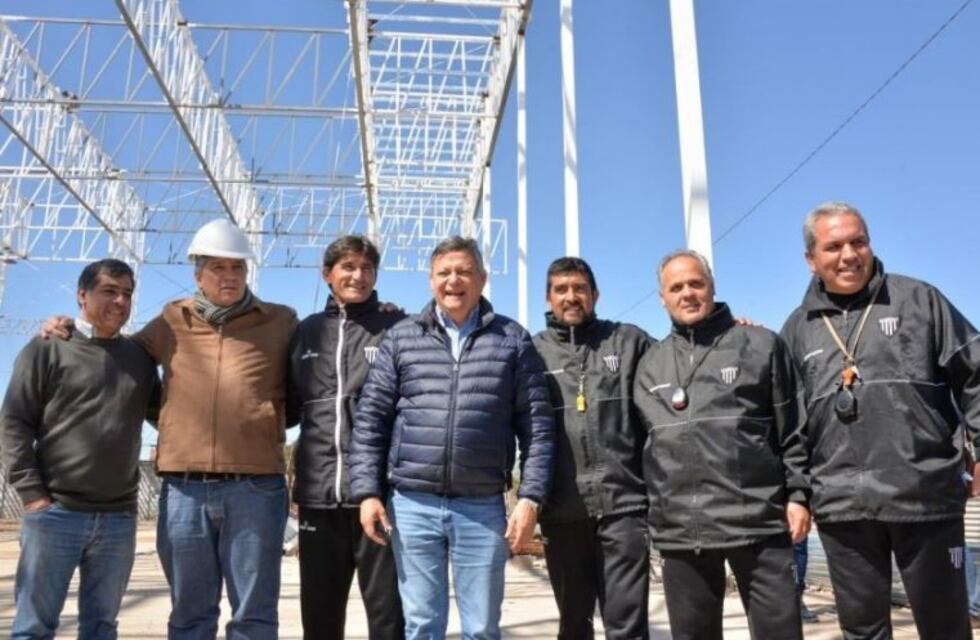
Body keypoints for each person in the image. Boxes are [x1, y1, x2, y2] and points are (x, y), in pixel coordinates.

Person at [42, 219, 298, 639]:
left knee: (254, 615)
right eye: (218, 268)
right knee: (190, 615)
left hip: (255, 488)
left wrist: (262, 424)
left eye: (237, 268)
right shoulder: (171, 320)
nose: (229, 277)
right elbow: (118, 355)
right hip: (184, 489)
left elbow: (304, 387)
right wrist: (69, 327)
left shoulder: (280, 321)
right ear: (198, 274)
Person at [780, 201, 980, 640]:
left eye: (859, 241)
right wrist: (798, 491)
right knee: (863, 632)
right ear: (811, 259)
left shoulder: (918, 300)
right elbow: (788, 425)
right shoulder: (797, 329)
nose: (849, 255)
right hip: (842, 507)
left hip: (924, 495)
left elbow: (975, 373)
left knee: (946, 627)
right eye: (834, 246)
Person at [349, 235, 555, 639]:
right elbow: (372, 419)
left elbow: (538, 427)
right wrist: (368, 493)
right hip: (412, 505)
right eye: (444, 272)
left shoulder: (512, 339)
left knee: (481, 628)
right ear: (430, 281)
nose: (453, 281)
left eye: (464, 271)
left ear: (482, 278)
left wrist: (530, 499)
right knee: (422, 625)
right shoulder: (402, 338)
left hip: (481, 507)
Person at [633, 250, 810, 640]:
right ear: (661, 298)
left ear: (712, 287)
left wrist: (798, 495)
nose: (687, 294)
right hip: (682, 530)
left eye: (696, 283)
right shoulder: (649, 364)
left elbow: (793, 427)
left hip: (759, 522)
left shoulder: (761, 344)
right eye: (675, 287)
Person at [2, 259, 159, 639]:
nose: (120, 301)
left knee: (101, 627)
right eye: (109, 291)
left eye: (127, 294)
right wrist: (33, 495)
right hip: (56, 513)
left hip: (118, 518)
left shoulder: (139, 359)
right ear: (82, 295)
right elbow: (14, 422)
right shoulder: (48, 349)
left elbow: (168, 416)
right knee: (34, 628)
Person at [287, 235, 406, 639]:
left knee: (389, 618)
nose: (358, 275)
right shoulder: (306, 332)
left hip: (379, 497)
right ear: (327, 274)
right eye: (348, 267)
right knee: (319, 620)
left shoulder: (397, 327)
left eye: (367, 268)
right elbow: (285, 406)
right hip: (319, 496)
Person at [531, 256, 653, 639]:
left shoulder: (629, 341)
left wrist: (730, 334)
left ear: (595, 294)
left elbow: (681, 365)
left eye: (580, 289)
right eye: (561, 290)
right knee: (573, 624)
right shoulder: (532, 351)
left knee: (627, 624)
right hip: (561, 511)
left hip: (624, 508)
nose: (571, 297)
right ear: (548, 298)